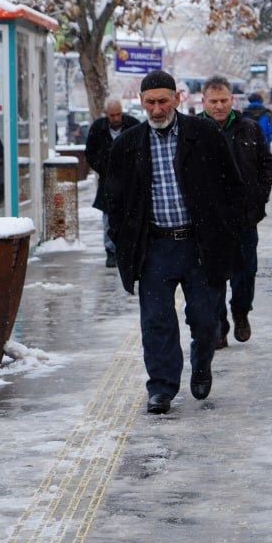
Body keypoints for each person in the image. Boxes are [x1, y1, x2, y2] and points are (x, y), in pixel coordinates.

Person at [104, 70, 245, 415]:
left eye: (162, 101)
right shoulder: (128, 145)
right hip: (154, 248)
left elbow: (232, 187)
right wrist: (124, 241)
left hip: (199, 246)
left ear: (177, 99)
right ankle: (162, 388)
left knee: (203, 316)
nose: (156, 109)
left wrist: (227, 231)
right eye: (149, 102)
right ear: (141, 102)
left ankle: (201, 363)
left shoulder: (204, 134)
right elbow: (114, 200)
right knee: (156, 321)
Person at [200, 76, 272, 348]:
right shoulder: (194, 130)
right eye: (214, 101)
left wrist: (259, 199)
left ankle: (241, 312)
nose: (219, 106)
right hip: (209, 221)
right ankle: (219, 324)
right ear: (204, 102)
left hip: (245, 218)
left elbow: (267, 165)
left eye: (223, 101)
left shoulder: (249, 128)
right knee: (214, 276)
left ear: (232, 100)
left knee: (246, 273)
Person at [85, 98, 140, 267]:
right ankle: (111, 251)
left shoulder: (133, 125)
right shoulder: (98, 128)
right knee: (109, 217)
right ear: (106, 115)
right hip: (108, 181)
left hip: (131, 181)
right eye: (112, 115)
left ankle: (131, 250)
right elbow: (90, 153)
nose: (116, 118)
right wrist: (102, 167)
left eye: (118, 114)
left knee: (132, 216)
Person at [244, 92, 272, 163]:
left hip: (247, 151)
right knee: (265, 172)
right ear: (261, 101)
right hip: (265, 150)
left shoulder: (244, 114)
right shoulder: (267, 114)